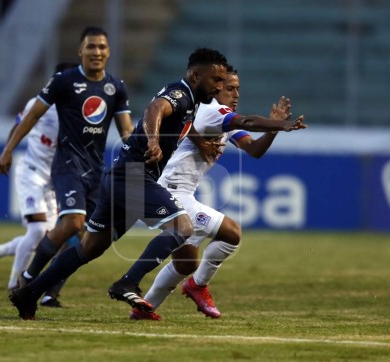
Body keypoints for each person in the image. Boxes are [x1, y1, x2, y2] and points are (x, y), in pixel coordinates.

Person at [8, 47, 230, 320]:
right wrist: (152, 140)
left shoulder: (192, 100)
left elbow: (178, 121)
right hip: (133, 176)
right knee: (182, 226)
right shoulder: (181, 93)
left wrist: (197, 141)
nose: (220, 87)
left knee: (89, 248)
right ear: (196, 76)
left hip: (120, 177)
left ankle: (28, 292)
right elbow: (154, 109)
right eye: (216, 80)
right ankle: (128, 281)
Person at [130, 66, 307, 320]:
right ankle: (198, 286)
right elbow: (246, 121)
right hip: (172, 192)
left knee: (185, 264)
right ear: (215, 89)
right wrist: (280, 124)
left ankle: (143, 309)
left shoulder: (220, 117)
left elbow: (254, 150)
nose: (235, 94)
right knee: (232, 232)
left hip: (181, 193)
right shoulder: (214, 111)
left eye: (238, 89)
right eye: (229, 89)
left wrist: (273, 129)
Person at [0, 26, 133, 294]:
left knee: (90, 239)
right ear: (80, 50)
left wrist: (142, 156)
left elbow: (126, 131)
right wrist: (8, 150)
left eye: (102, 47)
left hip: (95, 169)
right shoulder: (63, 81)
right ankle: (28, 277)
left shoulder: (115, 87)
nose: (97, 52)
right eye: (91, 46)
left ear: (109, 51)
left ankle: (47, 289)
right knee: (72, 222)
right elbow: (32, 116)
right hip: (67, 164)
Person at [0, 63, 78, 307]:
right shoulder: (39, 103)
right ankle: (15, 285)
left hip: (56, 180)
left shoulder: (77, 110)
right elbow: (19, 124)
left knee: (47, 237)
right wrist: (7, 151)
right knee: (36, 231)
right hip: (31, 171)